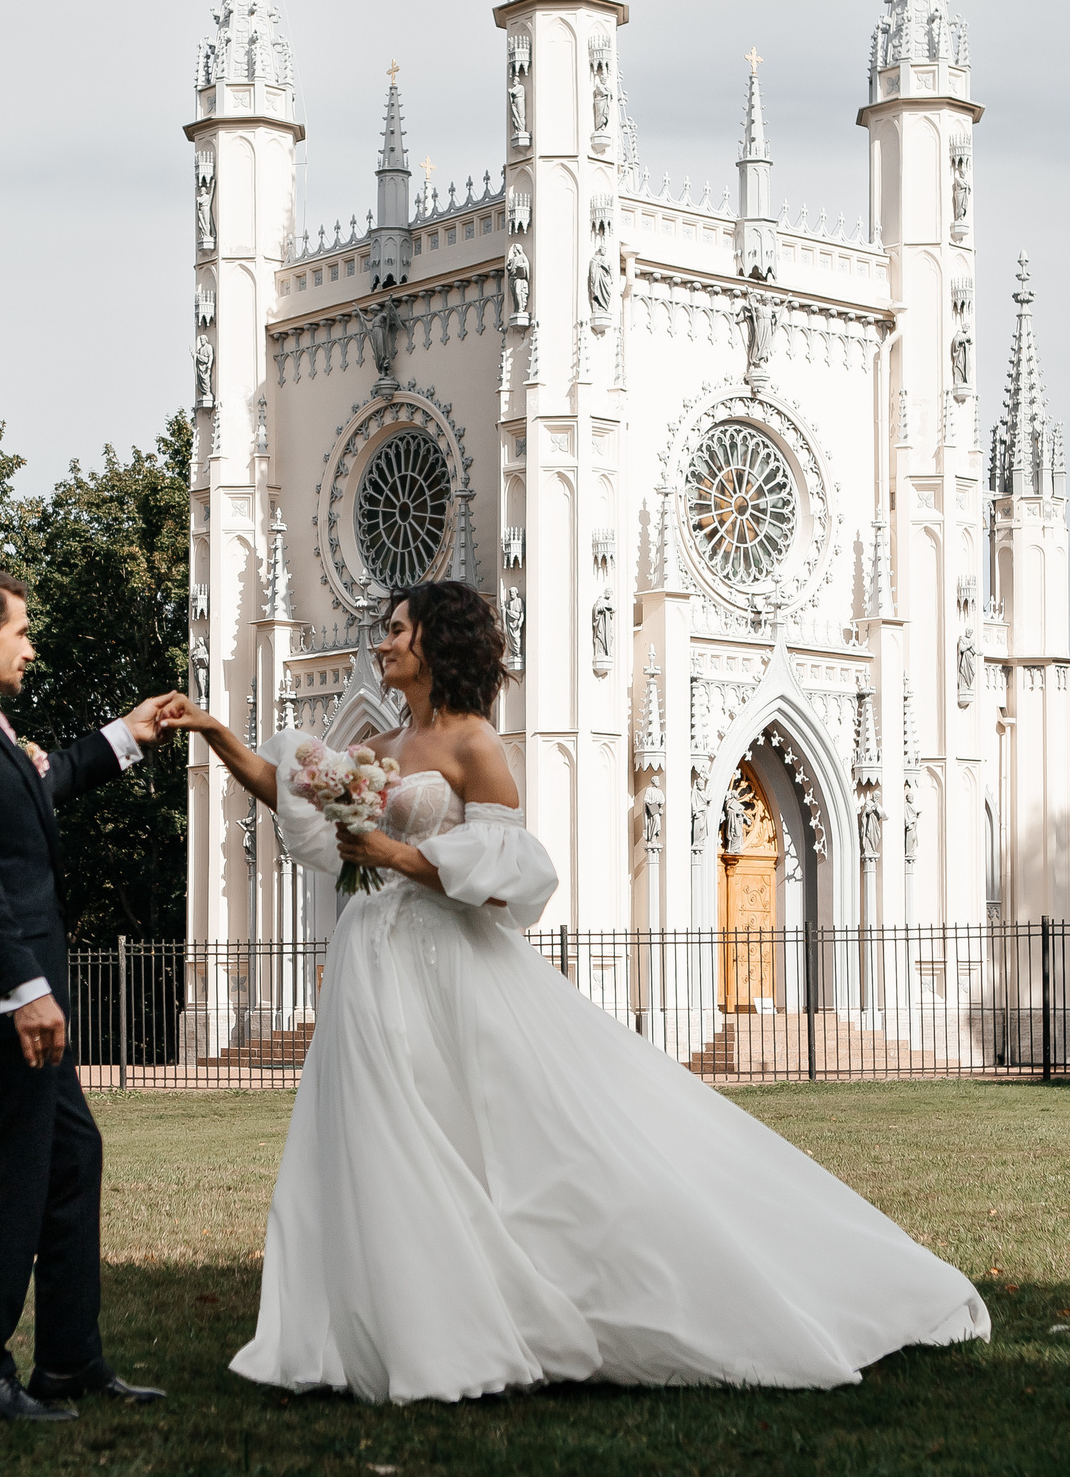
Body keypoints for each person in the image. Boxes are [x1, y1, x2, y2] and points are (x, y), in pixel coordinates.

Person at [173, 579, 988, 1404]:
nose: (381, 643)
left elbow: (509, 876)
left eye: (395, 631)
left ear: (433, 643)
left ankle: (526, 1302)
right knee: (379, 1134)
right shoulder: (380, 739)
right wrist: (212, 730)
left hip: (447, 963)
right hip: (370, 965)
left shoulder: (474, 742)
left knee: (510, 1131)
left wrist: (398, 857)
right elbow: (293, 792)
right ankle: (404, 1322)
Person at [0, 565, 184, 1422]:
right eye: (20, 629)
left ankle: (68, 1360)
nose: (31, 643)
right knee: (15, 1176)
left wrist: (125, 735)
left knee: (70, 1157)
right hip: (5, 994)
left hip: (25, 988)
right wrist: (26, 989)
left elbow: (40, 787)